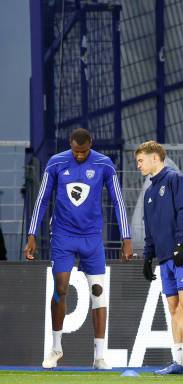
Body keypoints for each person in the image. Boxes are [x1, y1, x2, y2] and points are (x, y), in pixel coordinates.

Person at [24, 128, 133, 369]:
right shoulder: (56, 162)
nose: (80, 156)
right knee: (61, 287)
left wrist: (127, 237)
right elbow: (42, 198)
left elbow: (117, 199)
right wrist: (31, 234)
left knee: (97, 291)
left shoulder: (104, 164)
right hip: (63, 235)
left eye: (83, 152)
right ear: (70, 145)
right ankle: (55, 348)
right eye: (76, 151)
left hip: (92, 237)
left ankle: (99, 356)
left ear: (90, 145)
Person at [135, 141, 183, 375]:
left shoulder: (176, 180)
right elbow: (150, 230)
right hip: (165, 257)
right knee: (174, 307)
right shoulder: (149, 192)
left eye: (140, 160)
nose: (138, 165)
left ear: (154, 157)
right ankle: (178, 361)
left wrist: (180, 244)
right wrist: (148, 258)